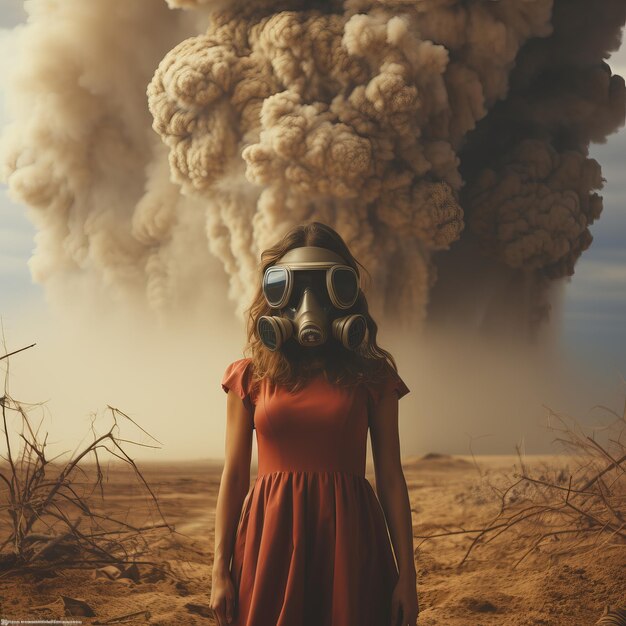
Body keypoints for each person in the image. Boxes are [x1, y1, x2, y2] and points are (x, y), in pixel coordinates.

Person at [210, 221, 419, 626]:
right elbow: (234, 475)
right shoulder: (248, 376)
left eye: (324, 285)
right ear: (275, 291)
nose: (310, 301)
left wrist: (407, 577)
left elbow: (391, 476)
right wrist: (219, 568)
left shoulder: (372, 376)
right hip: (268, 540)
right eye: (295, 284)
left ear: (345, 293)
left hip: (350, 540)